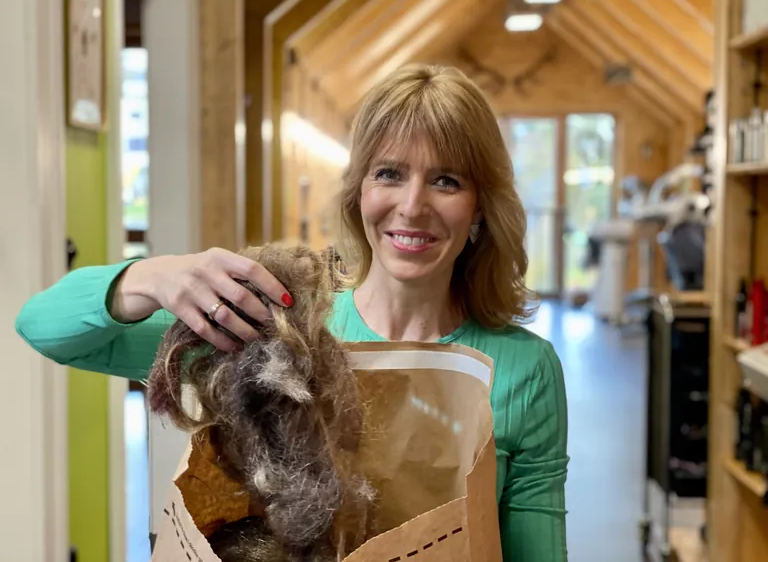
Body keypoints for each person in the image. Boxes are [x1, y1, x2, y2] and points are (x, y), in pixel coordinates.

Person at [15, 63, 569, 561]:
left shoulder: (521, 370)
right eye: (389, 174)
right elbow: (44, 328)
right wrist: (147, 276)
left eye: (446, 180)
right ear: (358, 194)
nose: (412, 205)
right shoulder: (276, 330)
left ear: (479, 208)